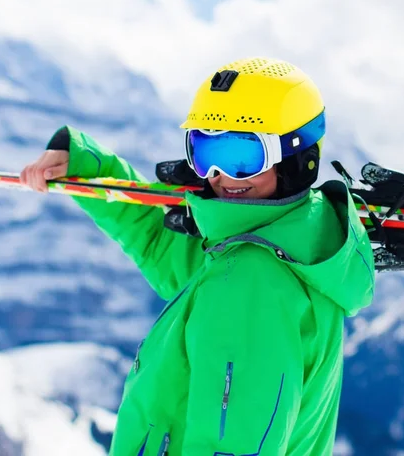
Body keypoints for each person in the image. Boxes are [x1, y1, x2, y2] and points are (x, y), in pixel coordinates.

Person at [20, 57, 375, 456]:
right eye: (205, 150)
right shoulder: (286, 242)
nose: (219, 175)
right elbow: (159, 241)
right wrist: (88, 170)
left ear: (297, 158)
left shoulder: (249, 280)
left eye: (242, 155)